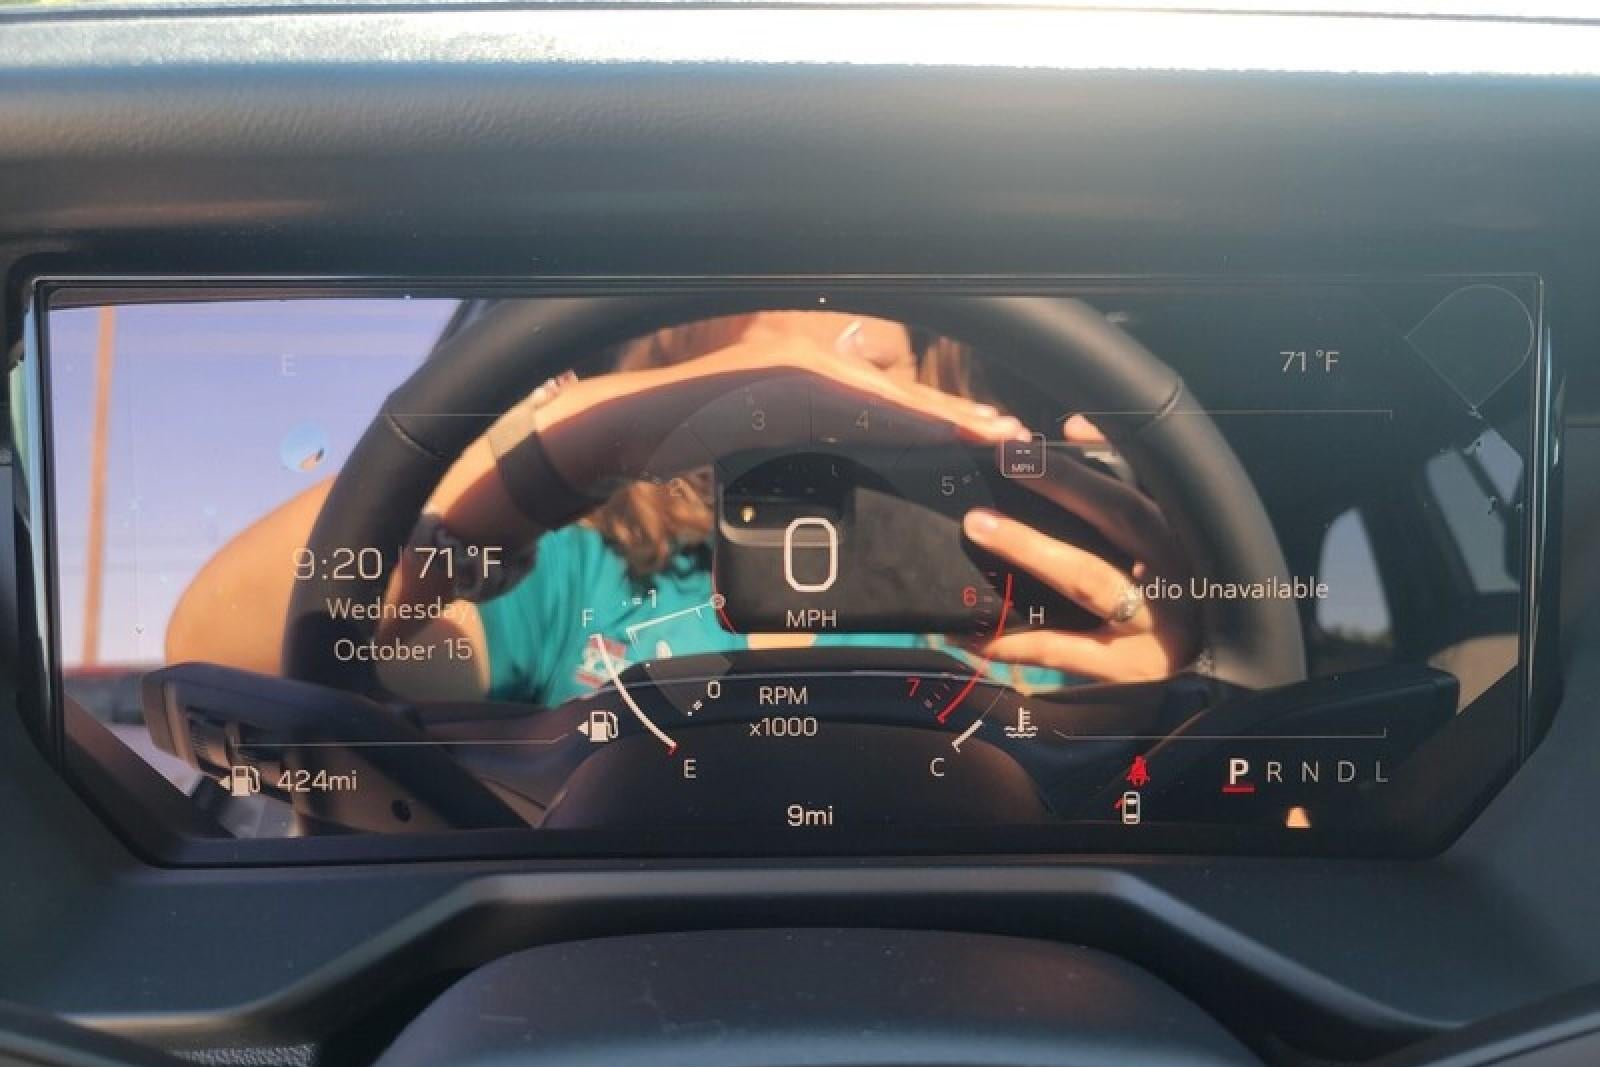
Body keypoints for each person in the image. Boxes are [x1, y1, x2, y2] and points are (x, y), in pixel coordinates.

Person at [166, 309, 1196, 703]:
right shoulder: (572, 562)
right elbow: (220, 648)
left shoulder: (1026, 572)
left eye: (875, 374)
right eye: (757, 283)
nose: (818, 323)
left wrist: (1166, 698)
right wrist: (557, 454)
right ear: (671, 348)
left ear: (935, 367)